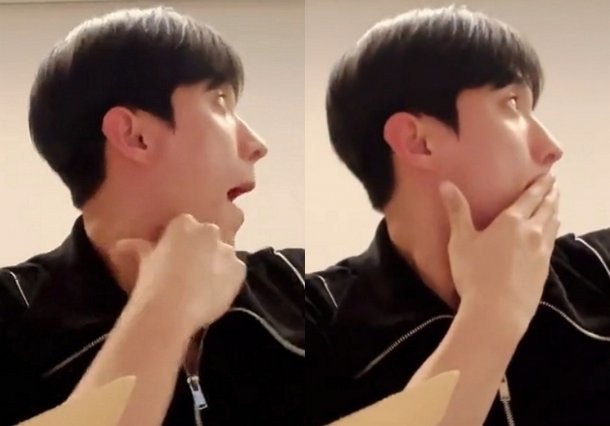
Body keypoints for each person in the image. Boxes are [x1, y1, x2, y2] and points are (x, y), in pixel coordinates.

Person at [307, 6, 610, 426]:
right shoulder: (313, 320)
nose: (551, 148)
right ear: (418, 141)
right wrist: (491, 315)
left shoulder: (599, 269)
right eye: (511, 104)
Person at [0, 7, 304, 426]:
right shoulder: (10, 316)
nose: (256, 144)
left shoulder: (300, 287)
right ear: (135, 136)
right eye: (220, 102)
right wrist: (165, 306)